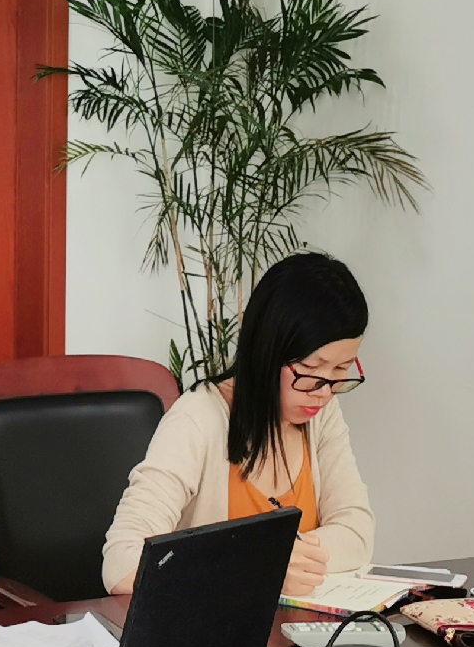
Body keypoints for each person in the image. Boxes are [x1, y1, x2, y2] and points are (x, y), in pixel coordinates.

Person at [102, 252, 375, 599]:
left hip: (299, 630)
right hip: (212, 632)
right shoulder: (197, 419)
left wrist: (289, 557)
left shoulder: (321, 415)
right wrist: (261, 564)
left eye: (340, 370)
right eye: (310, 370)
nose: (324, 392)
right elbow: (121, 565)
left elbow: (357, 531)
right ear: (267, 351)